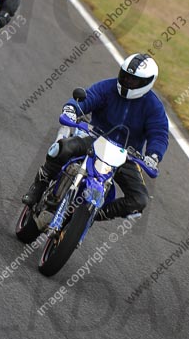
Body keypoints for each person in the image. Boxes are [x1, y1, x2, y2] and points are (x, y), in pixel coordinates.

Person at [22, 53, 169, 221]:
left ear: (147, 82)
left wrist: (153, 156)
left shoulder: (153, 106)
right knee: (62, 149)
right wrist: (72, 108)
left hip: (125, 156)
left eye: (133, 80)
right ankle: (38, 187)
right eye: (125, 76)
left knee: (139, 200)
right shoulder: (108, 87)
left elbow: (159, 133)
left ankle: (92, 216)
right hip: (95, 138)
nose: (127, 81)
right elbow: (89, 97)